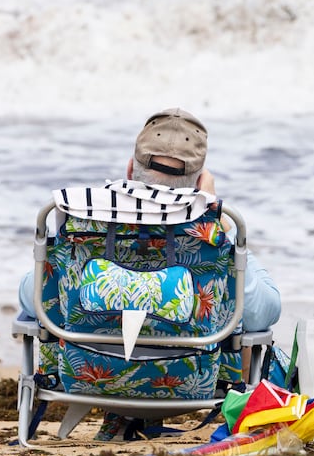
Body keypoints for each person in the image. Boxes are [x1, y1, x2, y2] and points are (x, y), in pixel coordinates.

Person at [18, 107, 281, 334]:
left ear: (130, 169)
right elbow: (260, 316)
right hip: (190, 381)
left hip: (83, 377)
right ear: (200, 181)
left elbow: (33, 300)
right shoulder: (209, 233)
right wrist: (219, 219)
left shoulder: (85, 220)